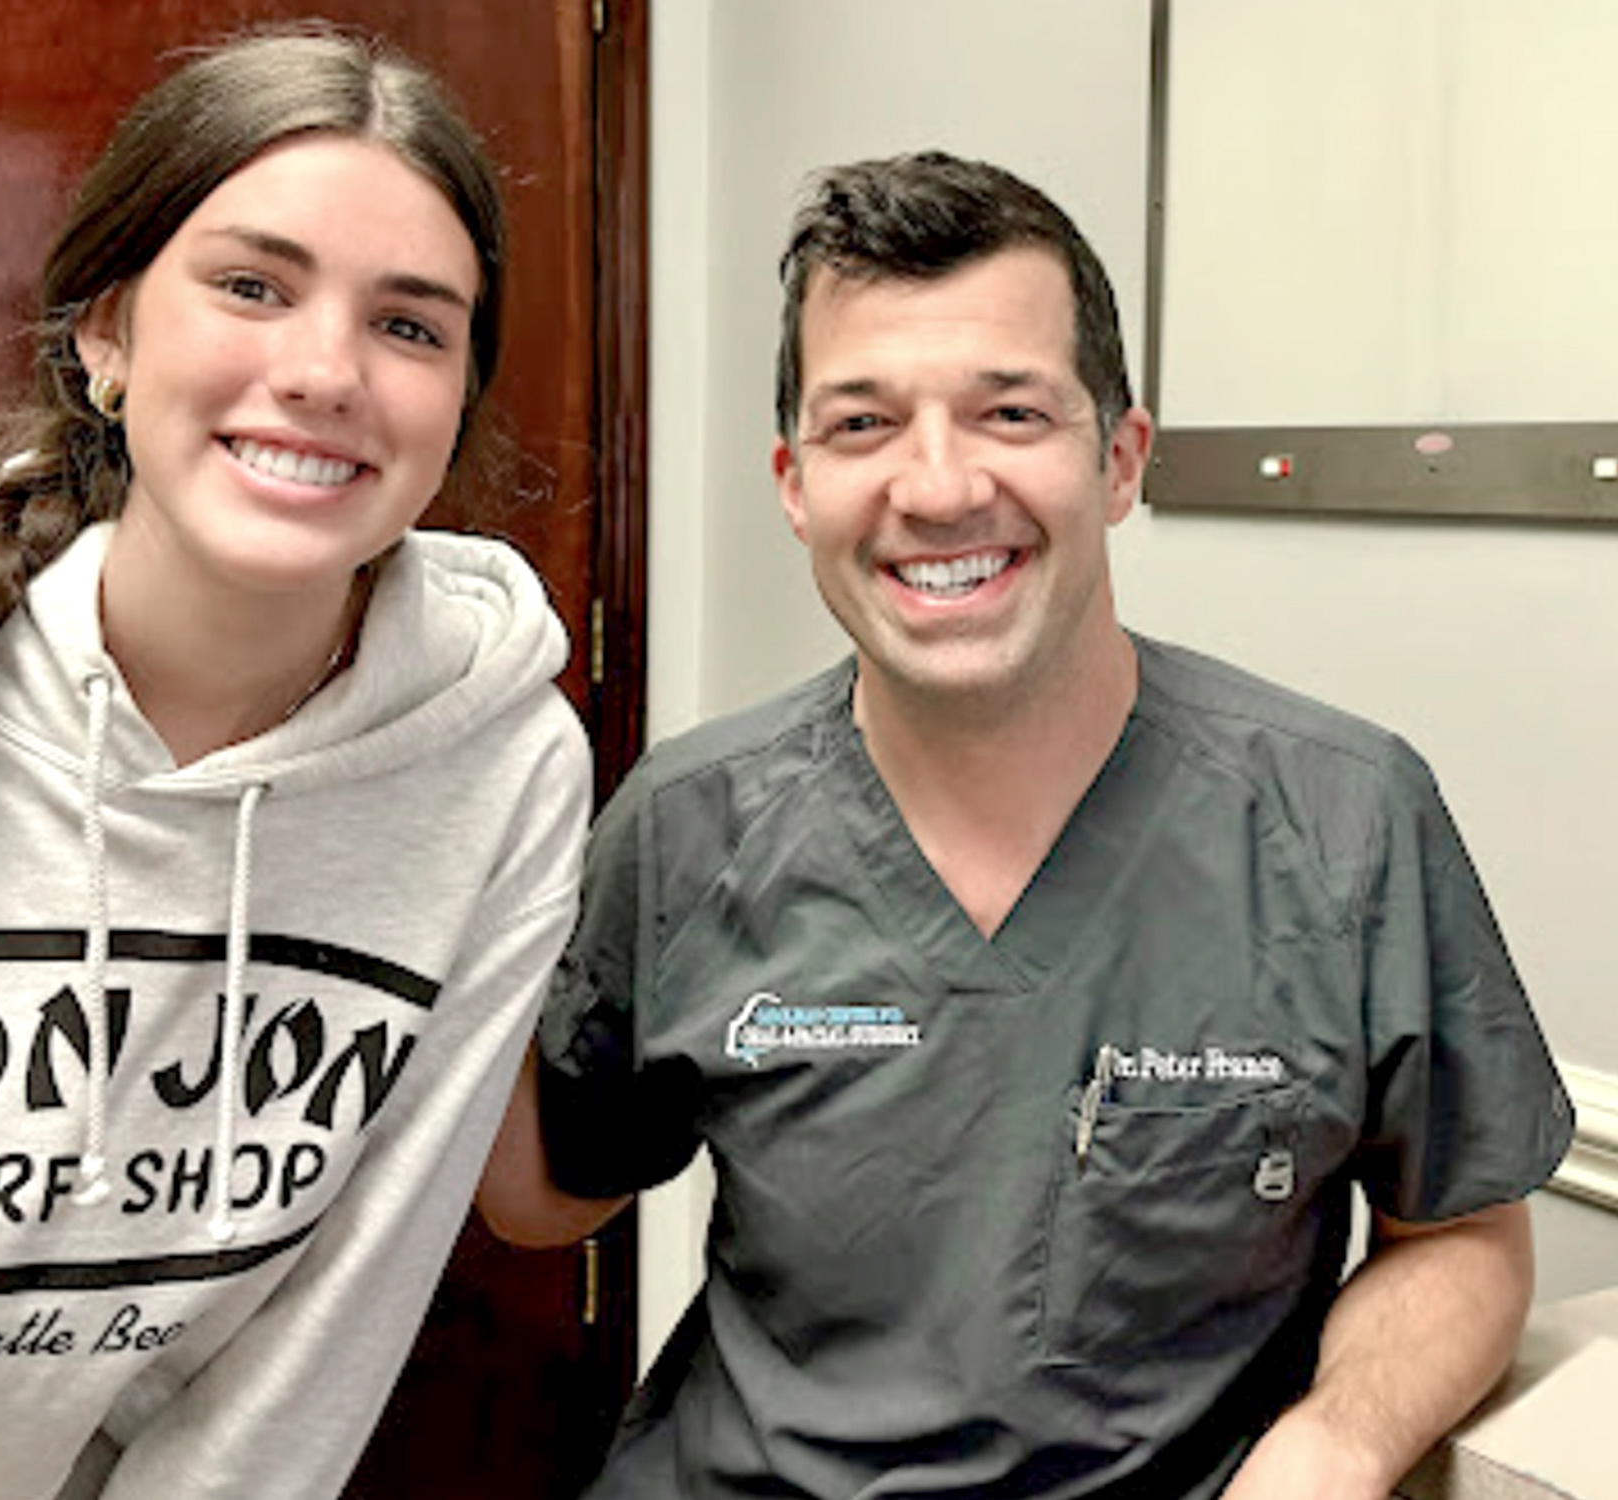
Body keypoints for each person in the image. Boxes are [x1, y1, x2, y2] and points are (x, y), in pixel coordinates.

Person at [480, 151, 1573, 1500]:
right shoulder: (688, 825)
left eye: (1009, 413)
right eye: (862, 424)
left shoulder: (1341, 819)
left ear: (1119, 460)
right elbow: (552, 1196)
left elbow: (1460, 1232)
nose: (938, 488)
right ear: (794, 483)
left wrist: (1331, 1449)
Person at [0, 25, 590, 1500]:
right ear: (107, 336)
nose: (325, 372)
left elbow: (333, 1328)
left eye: (410, 326)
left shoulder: (502, 765)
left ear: (459, 400)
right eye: (252, 287)